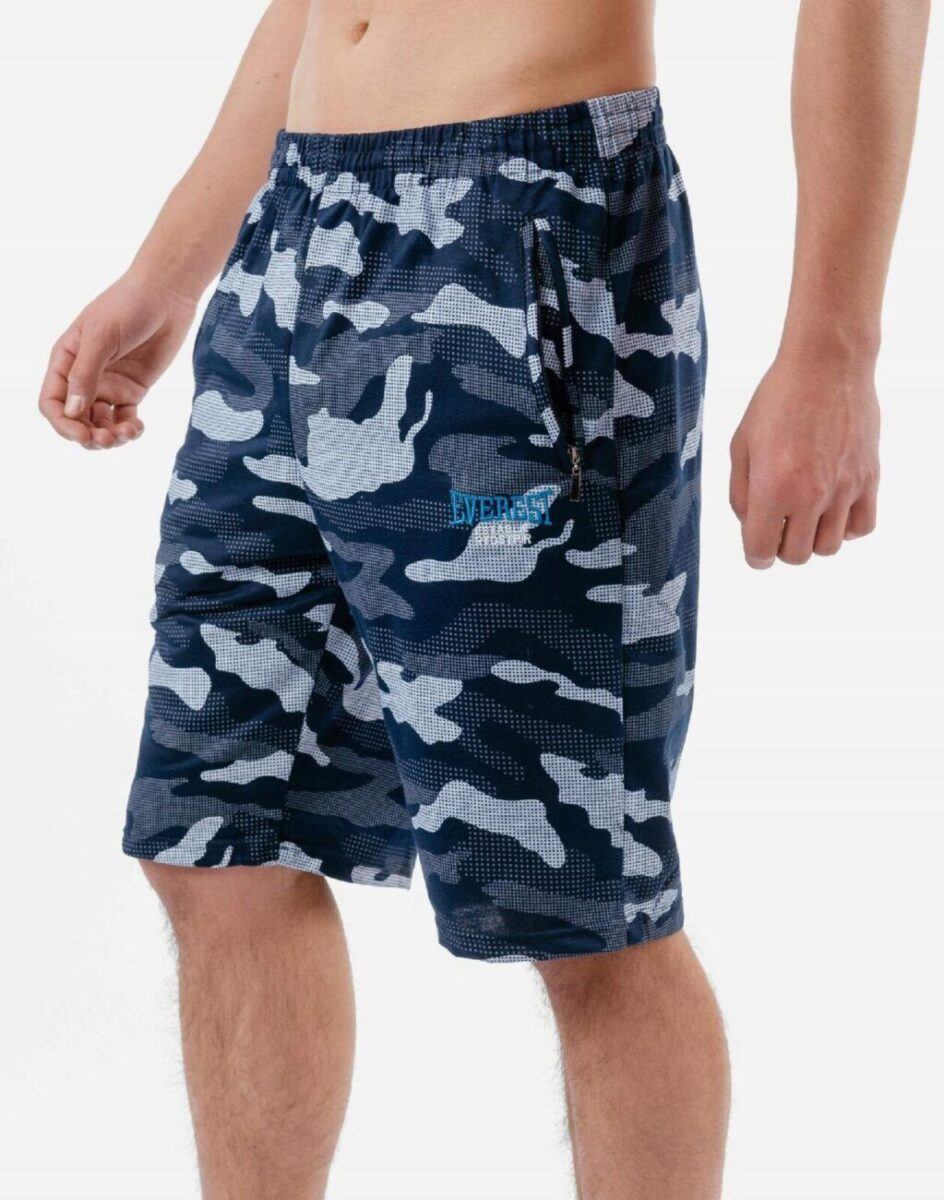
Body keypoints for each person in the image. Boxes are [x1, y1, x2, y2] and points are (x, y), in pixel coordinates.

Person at [38, 2, 929, 1197]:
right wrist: (165, 276)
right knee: (216, 837)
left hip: (518, 236)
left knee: (581, 897)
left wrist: (832, 348)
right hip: (291, 239)